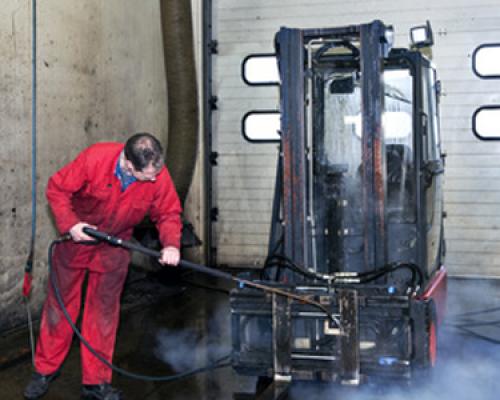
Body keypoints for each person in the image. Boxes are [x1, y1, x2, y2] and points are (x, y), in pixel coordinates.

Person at [24, 133, 182, 400]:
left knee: (103, 314)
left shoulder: (158, 173)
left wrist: (171, 245)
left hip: (115, 246)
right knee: (61, 308)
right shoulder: (96, 158)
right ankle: (44, 371)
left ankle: (96, 382)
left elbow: (168, 212)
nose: (154, 179)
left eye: (156, 173)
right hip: (77, 239)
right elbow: (57, 188)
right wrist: (71, 224)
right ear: (129, 164)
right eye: (148, 175)